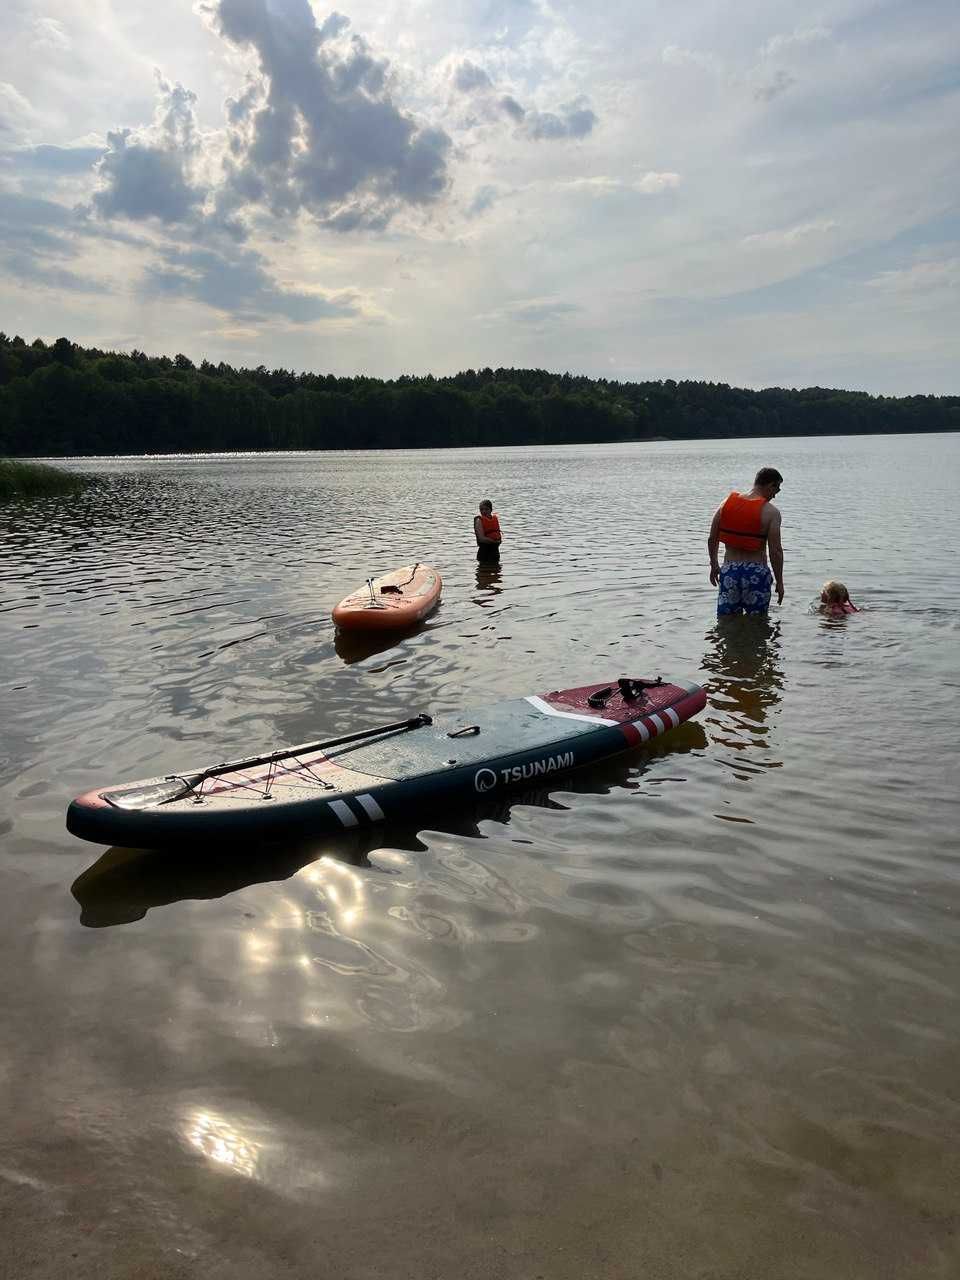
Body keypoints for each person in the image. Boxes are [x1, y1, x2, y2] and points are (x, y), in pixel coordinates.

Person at [707, 467, 784, 615]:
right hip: (756, 572)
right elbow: (776, 551)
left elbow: (712, 538)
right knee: (757, 623)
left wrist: (714, 564)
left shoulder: (725, 504)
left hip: (730, 571)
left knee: (727, 621)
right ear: (770, 485)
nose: (775, 495)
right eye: (777, 489)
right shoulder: (772, 513)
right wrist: (780, 582)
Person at [474, 499, 502, 564]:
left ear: (491, 510)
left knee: (497, 572)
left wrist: (499, 540)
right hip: (484, 553)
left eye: (486, 509)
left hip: (495, 552)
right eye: (481, 509)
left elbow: (497, 533)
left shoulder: (495, 519)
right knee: (484, 572)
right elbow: (481, 539)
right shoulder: (479, 521)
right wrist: (494, 541)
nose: (484, 511)